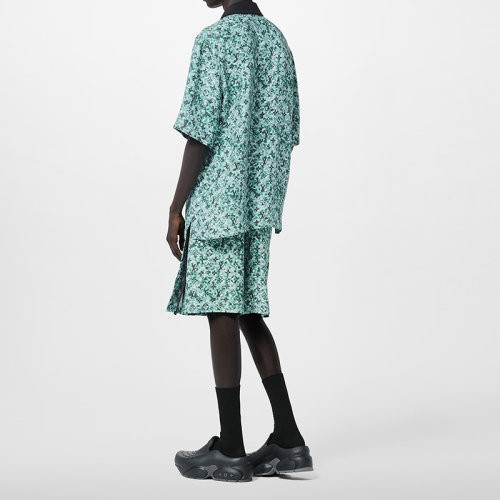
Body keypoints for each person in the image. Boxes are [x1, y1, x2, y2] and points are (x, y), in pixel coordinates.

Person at [165, 0, 313, 482]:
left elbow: (200, 132)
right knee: (247, 311)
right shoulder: (277, 42)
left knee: (222, 313)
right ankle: (289, 439)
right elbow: (289, 129)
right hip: (259, 202)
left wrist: (177, 205)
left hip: (218, 200)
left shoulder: (214, 40)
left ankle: (230, 449)